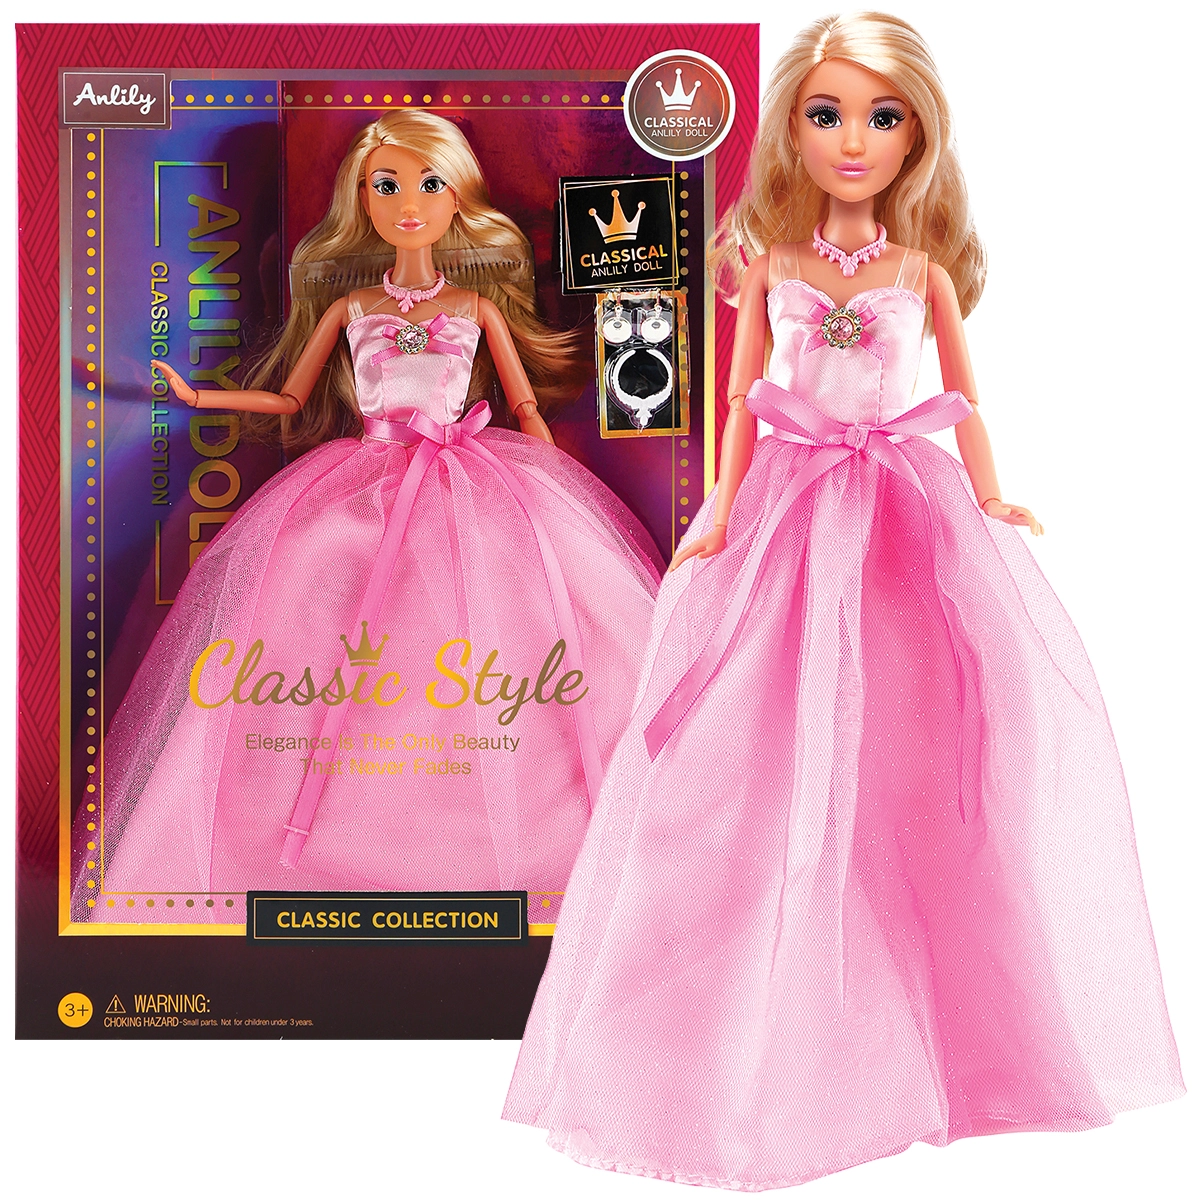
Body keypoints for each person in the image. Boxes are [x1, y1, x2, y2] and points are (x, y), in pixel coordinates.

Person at [504, 13, 1183, 1188]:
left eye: (882, 116)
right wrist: (719, 511)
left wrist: (993, 499)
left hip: (905, 518)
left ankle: (952, 1041)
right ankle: (742, 1039)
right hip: (789, 507)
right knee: (755, 748)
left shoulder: (923, 273)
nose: (853, 139)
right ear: (792, 132)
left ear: (918, 134)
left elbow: (964, 400)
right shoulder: (771, 263)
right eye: (826, 115)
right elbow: (743, 403)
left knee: (919, 747)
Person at [72, 109, 663, 924]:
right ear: (361, 197)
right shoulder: (353, 307)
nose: (407, 203)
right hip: (366, 482)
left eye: (429, 184)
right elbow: (289, 398)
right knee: (317, 629)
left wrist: (557, 500)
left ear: (458, 198)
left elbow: (525, 406)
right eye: (386, 185)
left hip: (474, 480)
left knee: (502, 651)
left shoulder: (475, 305)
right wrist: (196, 397)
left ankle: (547, 846)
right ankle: (294, 846)